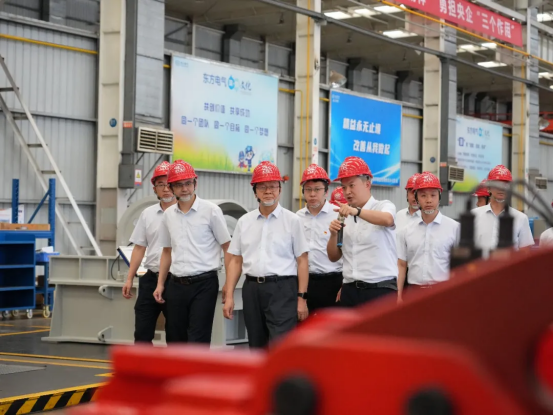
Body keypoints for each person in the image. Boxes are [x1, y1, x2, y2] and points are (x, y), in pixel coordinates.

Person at [223, 161, 309, 349]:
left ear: (280, 189)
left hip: (282, 289)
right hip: (252, 289)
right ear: (255, 192)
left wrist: (301, 298)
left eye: (273, 186)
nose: (268, 191)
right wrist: (229, 295)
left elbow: (302, 260)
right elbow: (236, 260)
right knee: (256, 343)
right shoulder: (244, 222)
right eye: (262, 187)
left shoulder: (292, 221)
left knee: (281, 345)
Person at [154, 160, 231, 344]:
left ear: (195, 183)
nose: (185, 189)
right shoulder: (168, 215)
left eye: (188, 183)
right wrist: (160, 284)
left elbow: (228, 248)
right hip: (176, 284)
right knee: (175, 338)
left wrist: (228, 284)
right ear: (171, 187)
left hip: (204, 284)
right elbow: (166, 251)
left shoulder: (211, 211)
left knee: (198, 338)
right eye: (179, 185)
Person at [327, 156, 398, 307]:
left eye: (352, 185)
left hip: (380, 290)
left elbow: (387, 219)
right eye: (344, 187)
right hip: (350, 290)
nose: (347, 192)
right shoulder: (344, 215)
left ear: (367, 184)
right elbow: (334, 257)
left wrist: (357, 211)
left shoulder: (383, 206)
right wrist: (333, 235)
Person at [122, 161, 176, 344]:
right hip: (150, 278)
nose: (166, 189)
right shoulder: (147, 214)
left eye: (169, 184)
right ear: (155, 189)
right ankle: (142, 363)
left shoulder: (184, 214)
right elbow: (139, 247)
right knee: (142, 332)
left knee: (176, 333)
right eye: (161, 184)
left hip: (176, 280)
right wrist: (130, 278)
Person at [397, 172, 460, 301]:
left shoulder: (455, 228)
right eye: (423, 195)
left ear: (440, 196)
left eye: (433, 195)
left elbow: (460, 267)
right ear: (416, 198)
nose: (429, 200)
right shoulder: (406, 231)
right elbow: (402, 265)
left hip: (443, 293)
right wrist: (398, 296)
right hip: (413, 294)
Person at [296, 164, 343, 313]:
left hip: (332, 282)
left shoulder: (338, 215)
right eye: (308, 189)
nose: (312, 194)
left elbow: (349, 251)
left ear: (326, 192)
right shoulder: (297, 218)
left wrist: (345, 284)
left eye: (317, 189)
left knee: (332, 326)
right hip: (304, 282)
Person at [472, 165, 534, 254]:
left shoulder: (521, 218)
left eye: (506, 185)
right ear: (488, 188)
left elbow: (525, 252)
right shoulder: (474, 215)